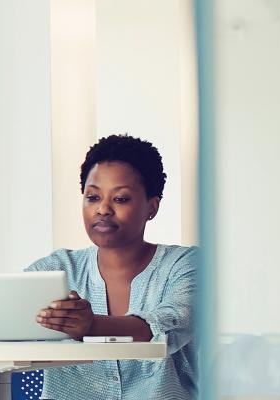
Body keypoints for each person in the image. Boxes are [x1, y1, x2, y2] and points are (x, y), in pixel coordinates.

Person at [27, 135, 197, 399]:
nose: (103, 209)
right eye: (93, 197)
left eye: (120, 199)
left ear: (152, 207)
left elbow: (174, 322)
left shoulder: (184, 266)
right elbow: (2, 320)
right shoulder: (55, 270)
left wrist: (90, 326)